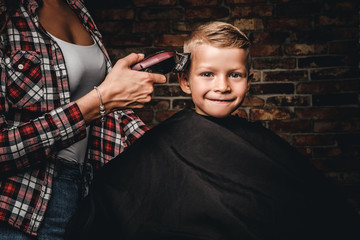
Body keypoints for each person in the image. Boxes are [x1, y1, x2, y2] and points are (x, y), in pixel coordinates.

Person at [66, 22, 360, 240]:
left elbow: (321, 212)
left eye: (235, 75)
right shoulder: (160, 146)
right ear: (184, 81)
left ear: (249, 79)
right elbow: (110, 209)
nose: (222, 86)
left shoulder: (265, 146)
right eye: (207, 74)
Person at [0, 0, 166, 239]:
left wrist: (176, 147)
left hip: (87, 189)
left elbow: (109, 109)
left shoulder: (78, 8)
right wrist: (102, 101)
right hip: (23, 205)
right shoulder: (8, 15)